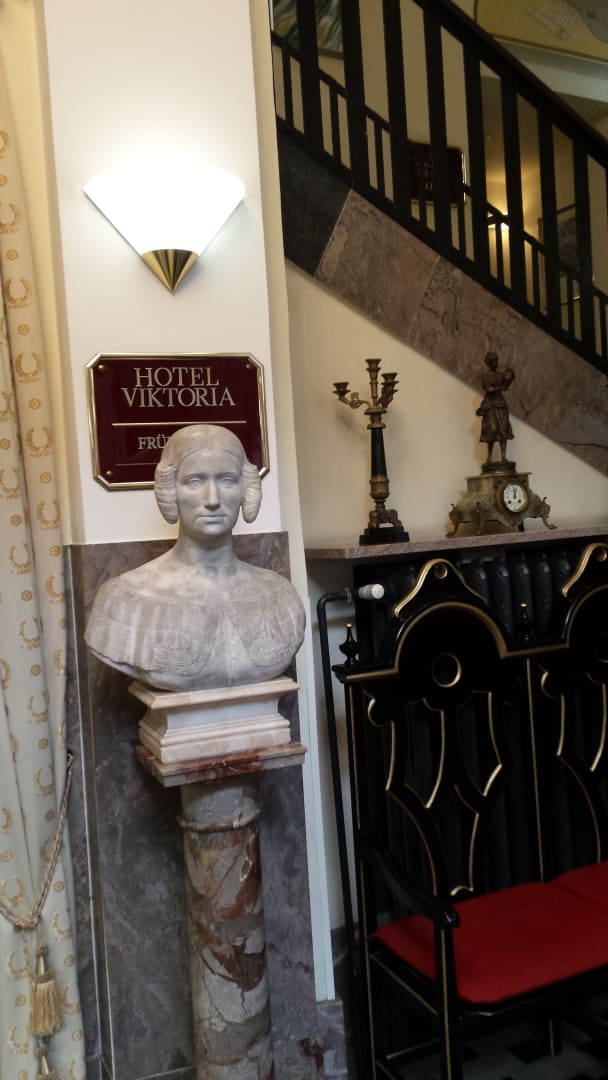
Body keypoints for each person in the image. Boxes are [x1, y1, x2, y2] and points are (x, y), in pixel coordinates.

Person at [85, 424, 305, 691]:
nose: (212, 499)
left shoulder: (280, 596)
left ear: (245, 489)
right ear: (170, 490)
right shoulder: (125, 600)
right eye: (194, 481)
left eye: (226, 480)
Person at [475, 351, 515, 464]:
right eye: (494, 361)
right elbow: (489, 390)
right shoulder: (484, 377)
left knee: (503, 430)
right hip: (490, 405)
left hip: (501, 405)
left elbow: (506, 384)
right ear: (489, 363)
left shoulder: (501, 376)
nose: (496, 363)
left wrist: (509, 378)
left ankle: (503, 457)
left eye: (497, 361)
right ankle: (489, 457)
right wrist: (500, 388)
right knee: (491, 431)